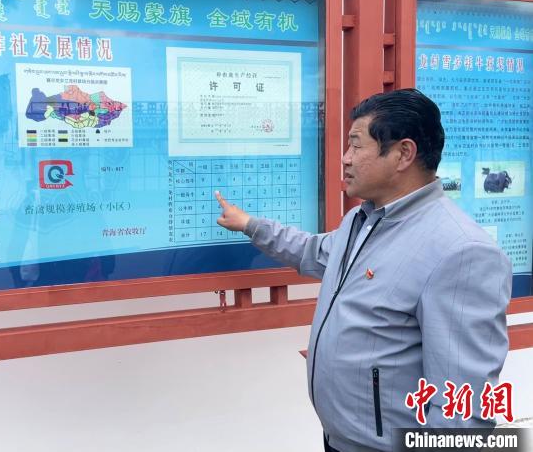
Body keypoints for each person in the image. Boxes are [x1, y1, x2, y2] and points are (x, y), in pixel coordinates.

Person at [216, 89, 511, 452]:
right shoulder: (363, 219)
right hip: (339, 440)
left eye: (356, 145)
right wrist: (250, 225)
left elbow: (463, 407)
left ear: (403, 154)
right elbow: (313, 251)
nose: (345, 158)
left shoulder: (461, 252)